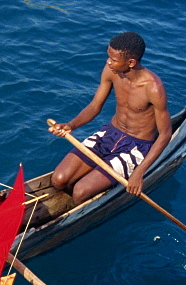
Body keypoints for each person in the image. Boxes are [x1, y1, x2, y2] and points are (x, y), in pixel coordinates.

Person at [49, 31, 171, 204]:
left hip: (136, 147)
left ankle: (107, 186)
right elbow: (95, 106)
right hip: (110, 133)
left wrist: (139, 172)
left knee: (80, 192)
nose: (108, 62)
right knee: (59, 180)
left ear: (131, 62)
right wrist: (71, 125)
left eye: (113, 59)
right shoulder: (111, 71)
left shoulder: (153, 88)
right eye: (108, 57)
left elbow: (165, 134)